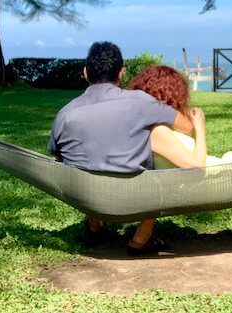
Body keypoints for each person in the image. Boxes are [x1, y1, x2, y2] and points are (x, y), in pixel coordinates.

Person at [47, 41, 194, 254]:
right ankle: (141, 239)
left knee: (81, 159)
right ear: (122, 73)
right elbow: (187, 127)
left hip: (86, 197)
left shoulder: (65, 114)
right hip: (138, 198)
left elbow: (58, 159)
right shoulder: (141, 102)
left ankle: (95, 225)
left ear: (86, 73)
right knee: (160, 160)